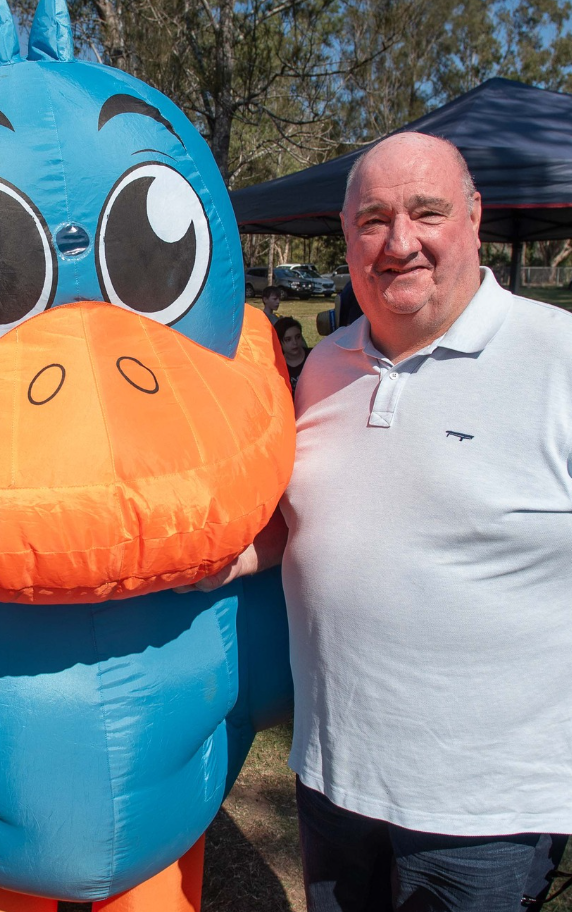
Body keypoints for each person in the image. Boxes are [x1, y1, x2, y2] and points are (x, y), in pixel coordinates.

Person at [186, 132, 572, 911]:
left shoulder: (557, 358)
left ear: (472, 215)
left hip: (485, 812)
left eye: (425, 212)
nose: (400, 243)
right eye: (372, 220)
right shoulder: (324, 365)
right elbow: (304, 522)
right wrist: (190, 559)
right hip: (334, 779)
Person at [274, 316, 308, 395]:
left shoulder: (313, 357)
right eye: (288, 339)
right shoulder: (277, 366)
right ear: (279, 342)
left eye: (298, 337)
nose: (295, 342)